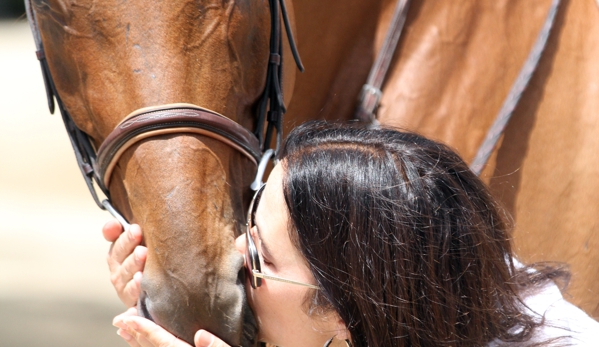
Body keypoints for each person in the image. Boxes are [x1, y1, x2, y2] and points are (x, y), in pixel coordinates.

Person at [105, 121, 599, 347]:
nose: (235, 258)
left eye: (260, 259)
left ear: (345, 315)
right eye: (248, 225)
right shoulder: (433, 287)